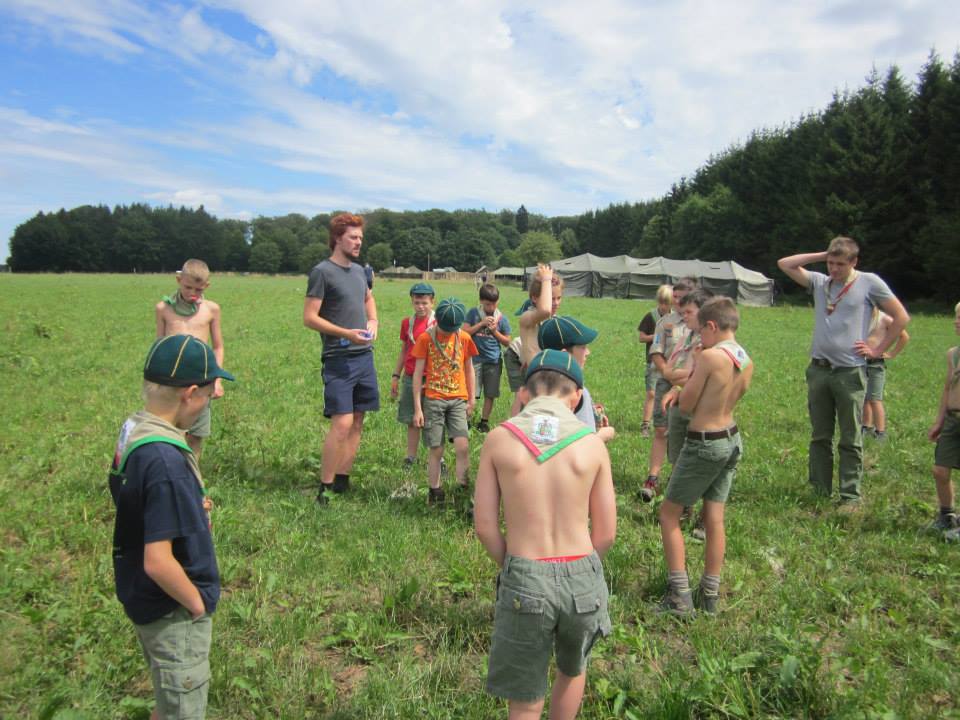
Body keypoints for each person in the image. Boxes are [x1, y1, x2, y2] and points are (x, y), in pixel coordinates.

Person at [475, 349, 616, 718]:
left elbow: (485, 526)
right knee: (572, 670)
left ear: (524, 394)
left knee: (525, 690)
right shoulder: (592, 445)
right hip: (582, 575)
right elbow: (606, 533)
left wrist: (513, 565)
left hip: (526, 571)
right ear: (577, 397)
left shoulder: (498, 440)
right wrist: (583, 568)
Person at [109, 334, 235, 719]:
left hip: (143, 596)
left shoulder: (135, 430)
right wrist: (197, 605)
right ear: (189, 393)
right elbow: (159, 562)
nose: (213, 397)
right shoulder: (166, 463)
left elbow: (136, 498)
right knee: (183, 706)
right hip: (174, 610)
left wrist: (189, 505)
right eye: (209, 391)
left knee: (167, 702)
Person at [778, 237, 909, 507]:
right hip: (819, 370)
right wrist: (824, 253)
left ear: (854, 262)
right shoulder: (819, 282)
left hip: (849, 372)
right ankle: (819, 490)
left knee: (850, 437)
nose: (834, 269)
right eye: (830, 263)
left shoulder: (869, 282)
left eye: (840, 263)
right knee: (820, 435)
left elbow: (901, 317)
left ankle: (849, 495)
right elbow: (785, 264)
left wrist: (878, 349)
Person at [657, 297, 753, 616]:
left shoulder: (711, 357)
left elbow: (687, 406)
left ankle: (679, 596)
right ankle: (709, 595)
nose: (699, 338)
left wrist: (693, 369)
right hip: (731, 437)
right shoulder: (744, 358)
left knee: (669, 514)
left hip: (704, 442)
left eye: (700, 332)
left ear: (712, 326)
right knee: (715, 518)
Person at [303, 213, 380, 504]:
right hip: (338, 357)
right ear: (337, 238)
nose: (359, 242)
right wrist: (346, 334)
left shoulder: (360, 271)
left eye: (361, 237)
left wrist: (373, 321)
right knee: (343, 422)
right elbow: (309, 318)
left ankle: (343, 481)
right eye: (353, 237)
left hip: (364, 357)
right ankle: (324, 487)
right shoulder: (322, 272)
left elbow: (368, 298)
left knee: (358, 419)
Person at [155, 259, 225, 458]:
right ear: (178, 280)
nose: (193, 293)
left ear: (206, 286)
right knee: (172, 431)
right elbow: (159, 345)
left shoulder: (211, 310)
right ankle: (171, 471)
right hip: (172, 380)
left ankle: (193, 475)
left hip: (201, 381)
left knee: (196, 434)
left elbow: (218, 347)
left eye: (198, 290)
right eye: (187, 287)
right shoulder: (163, 309)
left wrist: (216, 380)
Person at [412, 297, 479, 503]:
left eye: (452, 329)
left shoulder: (465, 338)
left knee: (462, 445)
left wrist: (471, 398)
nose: (448, 333)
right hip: (434, 400)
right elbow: (417, 374)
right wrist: (418, 408)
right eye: (445, 329)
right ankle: (435, 490)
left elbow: (469, 369)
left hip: (458, 400)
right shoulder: (426, 339)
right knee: (436, 448)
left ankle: (462, 487)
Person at [639, 278, 697, 503]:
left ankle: (677, 481)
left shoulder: (700, 323)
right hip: (666, 381)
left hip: (690, 385)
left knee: (682, 434)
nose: (679, 302)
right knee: (661, 430)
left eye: (683, 298)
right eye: (676, 297)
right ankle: (652, 478)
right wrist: (667, 372)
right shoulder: (666, 322)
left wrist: (681, 379)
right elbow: (656, 351)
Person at [538, 315, 616, 443]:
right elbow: (585, 444)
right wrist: (605, 434)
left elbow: (544, 442)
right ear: (565, 355)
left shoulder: (532, 388)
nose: (588, 352)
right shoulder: (577, 392)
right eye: (583, 347)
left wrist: (592, 413)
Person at [505, 264, 564, 415]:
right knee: (523, 400)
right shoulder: (528, 317)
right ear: (534, 298)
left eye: (559, 298)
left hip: (539, 369)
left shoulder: (554, 321)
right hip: (525, 365)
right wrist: (546, 279)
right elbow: (544, 310)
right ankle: (514, 431)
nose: (556, 303)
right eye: (551, 298)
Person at [391, 283, 436, 465]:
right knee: (412, 419)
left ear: (432, 302)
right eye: (417, 302)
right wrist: (396, 375)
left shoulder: (438, 324)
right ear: (412, 302)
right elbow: (404, 350)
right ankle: (411, 456)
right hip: (411, 377)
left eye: (425, 303)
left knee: (433, 419)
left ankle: (436, 457)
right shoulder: (407, 324)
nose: (421, 307)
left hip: (433, 378)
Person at [927, 302, 960, 538]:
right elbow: (948, 388)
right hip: (952, 419)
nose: (956, 322)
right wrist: (939, 420)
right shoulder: (953, 354)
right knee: (940, 470)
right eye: (956, 317)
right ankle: (946, 514)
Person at [465, 283, 512, 433]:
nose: (491, 307)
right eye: (487, 304)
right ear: (480, 301)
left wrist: (494, 332)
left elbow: (507, 342)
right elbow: (464, 332)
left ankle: (484, 421)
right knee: (471, 392)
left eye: (494, 303)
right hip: (475, 361)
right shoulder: (473, 313)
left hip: (493, 362)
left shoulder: (501, 318)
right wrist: (481, 324)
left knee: (490, 394)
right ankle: (466, 420)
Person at [861, 306, 910, 442]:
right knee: (864, 397)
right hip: (861, 363)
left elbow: (904, 336)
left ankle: (881, 431)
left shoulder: (884, 319)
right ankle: (866, 426)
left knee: (875, 398)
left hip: (876, 364)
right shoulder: (861, 318)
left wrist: (892, 353)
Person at [637, 285, 673, 438]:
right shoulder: (650, 316)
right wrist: (657, 336)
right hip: (653, 361)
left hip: (670, 362)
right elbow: (641, 337)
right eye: (662, 303)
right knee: (651, 393)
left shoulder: (675, 318)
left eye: (667, 303)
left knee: (669, 393)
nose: (664, 306)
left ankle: (668, 424)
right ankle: (646, 424)